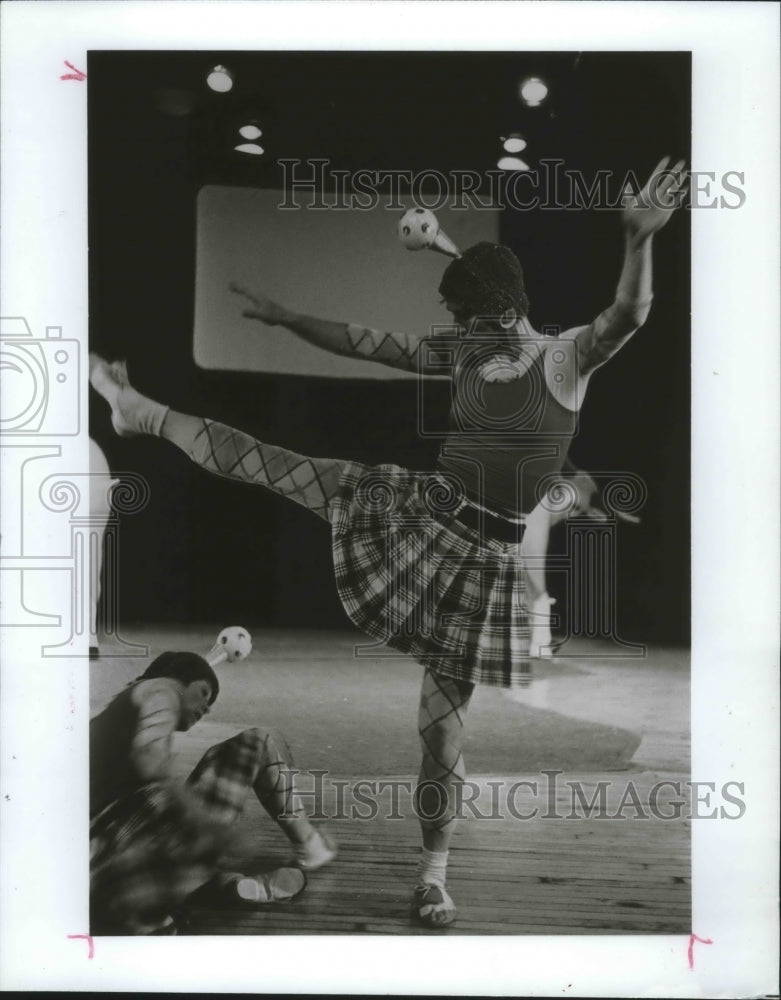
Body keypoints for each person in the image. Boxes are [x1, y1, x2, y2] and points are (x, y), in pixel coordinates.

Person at [89, 157, 685, 928]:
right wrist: (285, 317)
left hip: (484, 565)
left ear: (502, 313)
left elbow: (627, 316)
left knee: (440, 735)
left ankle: (433, 874)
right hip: (418, 513)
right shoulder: (468, 350)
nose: (460, 337)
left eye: (470, 321)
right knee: (280, 467)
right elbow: (364, 342)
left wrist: (638, 240)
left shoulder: (564, 359)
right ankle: (140, 411)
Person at [90, 650, 336, 935]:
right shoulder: (163, 687)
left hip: (99, 874)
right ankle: (310, 845)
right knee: (257, 742)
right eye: (204, 692)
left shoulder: (119, 714)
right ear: (179, 678)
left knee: (165, 807)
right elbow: (150, 757)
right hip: (117, 849)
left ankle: (205, 890)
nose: (206, 708)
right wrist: (207, 826)